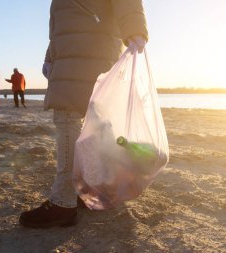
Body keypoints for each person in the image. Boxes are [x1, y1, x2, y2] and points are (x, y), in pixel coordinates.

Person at [19, 0, 148, 228]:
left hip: (92, 56)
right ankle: (84, 191)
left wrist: (135, 30)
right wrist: (50, 57)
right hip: (70, 60)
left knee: (69, 120)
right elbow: (61, 30)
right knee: (87, 126)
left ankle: (63, 203)